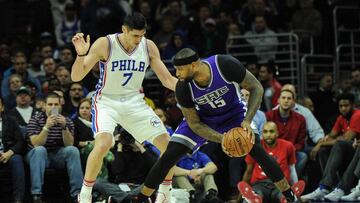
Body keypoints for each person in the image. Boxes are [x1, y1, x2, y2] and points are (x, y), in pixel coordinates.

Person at [132, 48, 301, 203]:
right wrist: (223, 139)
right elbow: (195, 124)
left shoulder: (224, 65)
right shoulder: (183, 87)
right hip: (203, 119)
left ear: (193, 65)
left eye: (180, 69)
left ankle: (289, 196)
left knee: (256, 149)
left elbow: (256, 87)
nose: (177, 74)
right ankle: (140, 198)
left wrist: (247, 120)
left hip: (234, 114)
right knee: (169, 155)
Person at [71, 12, 178, 203]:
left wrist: (194, 90)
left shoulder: (148, 46)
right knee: (103, 144)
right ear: (124, 30)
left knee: (169, 147)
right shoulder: (105, 44)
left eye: (142, 35)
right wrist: (81, 55)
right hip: (107, 101)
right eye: (135, 35)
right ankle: (85, 194)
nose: (139, 40)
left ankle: (165, 193)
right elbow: (76, 77)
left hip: (134, 101)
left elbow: (168, 79)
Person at [25, 92, 83, 203]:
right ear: (45, 106)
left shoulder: (67, 121)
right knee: (40, 150)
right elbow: (36, 144)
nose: (53, 107)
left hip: (57, 155)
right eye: (50, 104)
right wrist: (46, 127)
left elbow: (69, 144)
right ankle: (36, 195)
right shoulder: (35, 119)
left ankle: (78, 195)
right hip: (37, 156)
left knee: (73, 150)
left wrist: (64, 127)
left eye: (56, 104)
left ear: (60, 106)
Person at [242, 121, 298, 203]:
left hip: (280, 186)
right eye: (265, 132)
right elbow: (248, 172)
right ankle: (253, 198)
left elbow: (292, 169)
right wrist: (239, 198)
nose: (268, 134)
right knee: (253, 198)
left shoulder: (288, 146)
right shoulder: (254, 147)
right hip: (260, 185)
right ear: (262, 134)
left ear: (277, 133)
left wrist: (293, 188)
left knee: (286, 198)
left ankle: (287, 198)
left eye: (271, 131)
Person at [0, 97, 26, 203]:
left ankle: (18, 199)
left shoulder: (12, 120)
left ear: (2, 107)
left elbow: (20, 141)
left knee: (17, 160)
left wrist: (9, 153)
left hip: (8, 153)